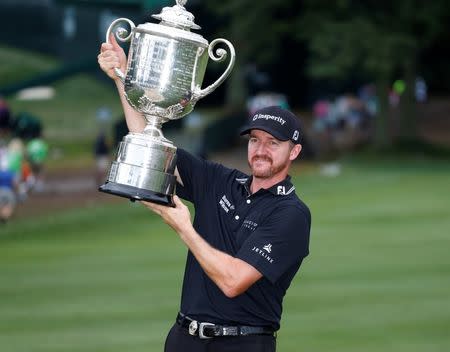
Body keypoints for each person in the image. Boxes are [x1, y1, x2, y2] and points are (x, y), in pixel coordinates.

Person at [98, 35, 311, 352]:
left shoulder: (291, 214)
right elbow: (148, 141)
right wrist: (124, 78)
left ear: (293, 152)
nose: (260, 150)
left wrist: (184, 226)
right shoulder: (219, 181)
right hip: (184, 338)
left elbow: (233, 281)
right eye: (255, 140)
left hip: (242, 343)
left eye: (273, 143)